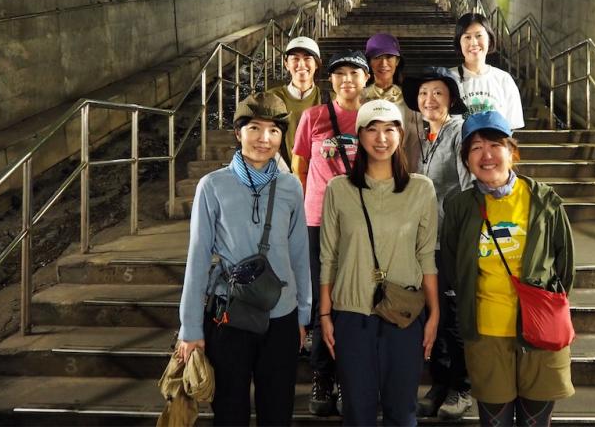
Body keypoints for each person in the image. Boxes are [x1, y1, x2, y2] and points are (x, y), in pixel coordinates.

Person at [177, 92, 311, 426]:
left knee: (277, 410)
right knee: (229, 411)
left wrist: (303, 315)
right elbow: (197, 258)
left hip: (281, 315)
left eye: (274, 130)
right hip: (229, 315)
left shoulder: (291, 187)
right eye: (254, 128)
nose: (264, 139)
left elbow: (299, 253)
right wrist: (190, 327)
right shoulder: (212, 185)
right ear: (238, 132)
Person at [441, 111, 575, 426]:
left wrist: (542, 306)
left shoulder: (543, 200)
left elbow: (565, 266)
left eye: (495, 145)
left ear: (512, 152)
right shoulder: (459, 207)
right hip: (486, 333)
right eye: (475, 148)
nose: (486, 155)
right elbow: (453, 265)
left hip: (541, 332)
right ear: (466, 160)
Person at [319, 99, 439, 426]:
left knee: (402, 411)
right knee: (357, 411)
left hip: (404, 314)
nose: (381, 138)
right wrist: (325, 314)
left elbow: (426, 255)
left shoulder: (421, 189)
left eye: (390, 129)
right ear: (359, 135)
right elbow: (328, 256)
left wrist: (434, 314)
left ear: (401, 135)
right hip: (351, 314)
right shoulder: (338, 189)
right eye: (372, 129)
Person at [292, 49, 370, 416]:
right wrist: (310, 202)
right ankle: (323, 375)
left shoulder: (374, 118)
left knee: (353, 299)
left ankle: (351, 374)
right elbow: (300, 165)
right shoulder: (314, 116)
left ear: (366, 79)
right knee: (320, 297)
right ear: (331, 80)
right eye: (340, 74)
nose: (347, 80)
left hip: (361, 221)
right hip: (318, 220)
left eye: (355, 73)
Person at [401, 67, 473, 420]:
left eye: (438, 93)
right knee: (435, 315)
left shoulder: (459, 132)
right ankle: (440, 383)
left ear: (451, 99)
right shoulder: (422, 135)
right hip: (426, 242)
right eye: (423, 93)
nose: (429, 99)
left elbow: (468, 187)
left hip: (452, 242)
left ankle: (462, 386)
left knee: (454, 317)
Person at [451, 13, 524, 130]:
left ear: (489, 39)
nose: (474, 43)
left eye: (479, 35)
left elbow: (511, 126)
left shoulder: (504, 80)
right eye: (467, 37)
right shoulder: (448, 79)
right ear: (459, 42)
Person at [362, 33, 421, 170]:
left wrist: (411, 173)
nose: (383, 64)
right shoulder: (360, 97)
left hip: (402, 168)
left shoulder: (409, 98)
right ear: (369, 61)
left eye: (389, 57)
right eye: (377, 57)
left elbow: (414, 142)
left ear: (397, 61)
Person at [266, 36, 324, 165]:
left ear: (317, 64)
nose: (301, 64)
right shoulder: (271, 98)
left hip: (318, 171)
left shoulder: (329, 100)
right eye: (295, 59)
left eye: (307, 58)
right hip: (280, 171)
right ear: (286, 64)